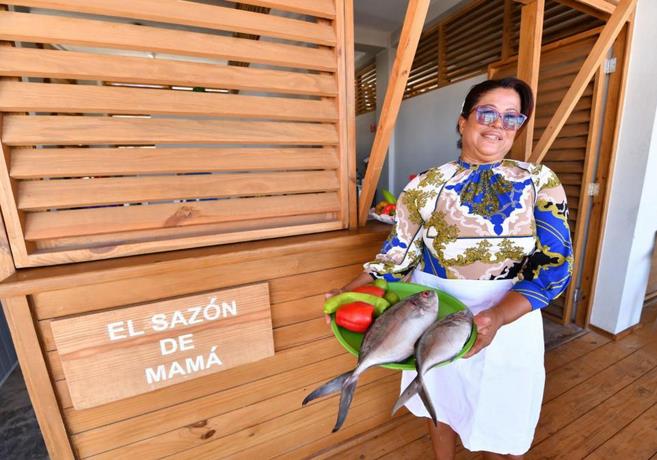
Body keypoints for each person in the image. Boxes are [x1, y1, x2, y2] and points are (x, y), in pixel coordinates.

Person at [326, 77, 573, 459]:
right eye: (487, 113)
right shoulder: (426, 185)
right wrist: (350, 290)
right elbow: (396, 256)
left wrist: (498, 316)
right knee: (438, 399)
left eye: (511, 117)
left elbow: (554, 266)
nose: (498, 124)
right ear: (463, 120)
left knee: (500, 413)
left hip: (511, 315)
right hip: (433, 309)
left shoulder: (539, 181)